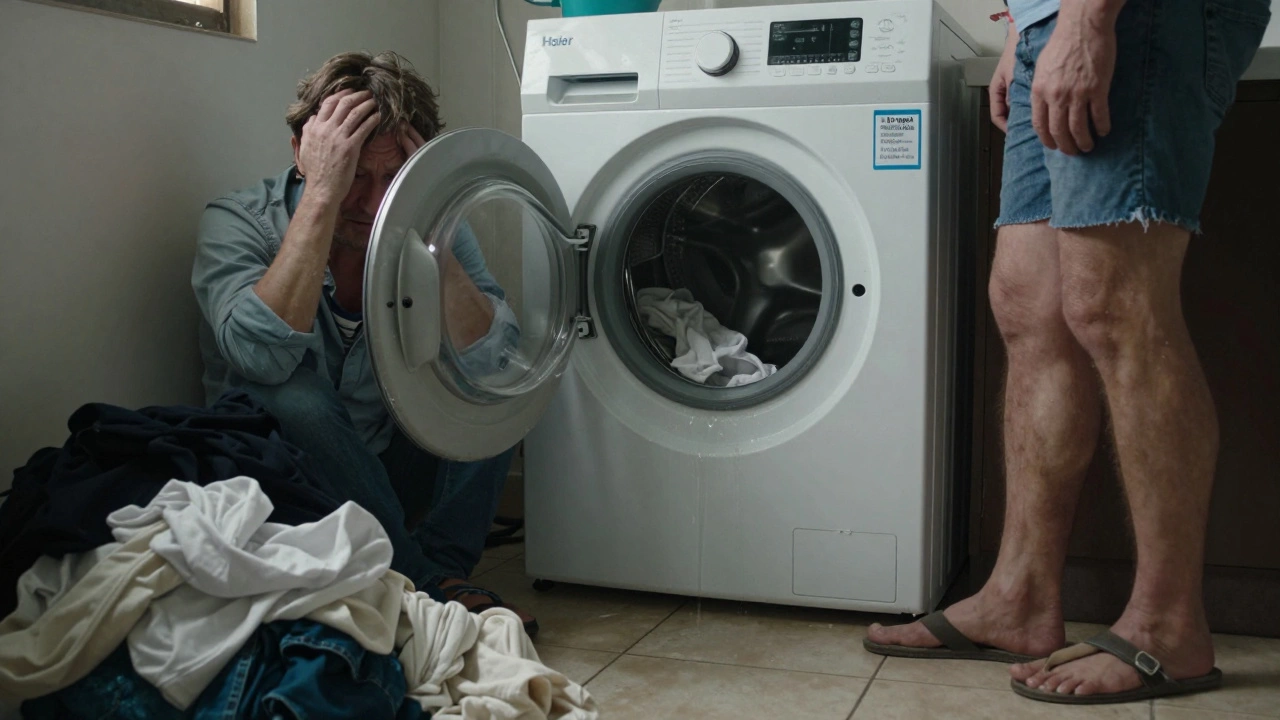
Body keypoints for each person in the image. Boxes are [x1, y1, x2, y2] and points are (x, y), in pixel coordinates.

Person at [864, 0, 1270, 705]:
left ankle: (1169, 625)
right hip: (1054, 20)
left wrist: (1085, 20)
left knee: (1116, 306)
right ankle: (1017, 599)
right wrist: (1028, 29)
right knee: (1029, 306)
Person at [191, 51, 536, 635]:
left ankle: (439, 567)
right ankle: (426, 581)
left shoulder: (420, 218)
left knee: (499, 371)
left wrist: (426, 215)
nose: (375, 202)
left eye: (393, 178)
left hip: (390, 472)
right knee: (289, 392)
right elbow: (259, 356)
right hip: (287, 487)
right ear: (305, 151)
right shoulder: (238, 222)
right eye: (354, 173)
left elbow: (496, 356)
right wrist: (324, 197)